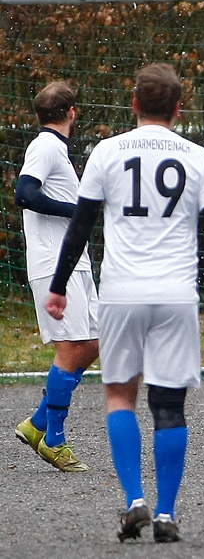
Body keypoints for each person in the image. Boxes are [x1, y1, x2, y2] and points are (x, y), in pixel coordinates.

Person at [45, 63, 204, 543]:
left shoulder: (107, 152)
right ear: (178, 109)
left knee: (119, 396)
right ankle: (167, 514)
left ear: (133, 104)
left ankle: (135, 500)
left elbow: (81, 224)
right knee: (169, 406)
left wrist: (57, 286)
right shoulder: (197, 158)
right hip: (175, 294)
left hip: (121, 292)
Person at [13, 81, 100, 472]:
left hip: (74, 262)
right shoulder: (46, 146)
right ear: (72, 113)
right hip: (52, 264)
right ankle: (55, 440)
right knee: (70, 348)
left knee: (93, 342)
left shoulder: (58, 152)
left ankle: (37, 424)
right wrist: (75, 211)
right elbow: (25, 193)